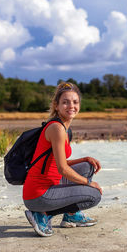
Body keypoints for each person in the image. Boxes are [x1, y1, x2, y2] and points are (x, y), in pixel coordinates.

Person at [23, 82, 102, 237]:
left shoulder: (65, 129)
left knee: (87, 166)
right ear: (56, 106)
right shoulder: (56, 129)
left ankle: (71, 216)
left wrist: (85, 159)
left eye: (75, 102)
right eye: (65, 102)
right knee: (94, 195)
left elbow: (59, 164)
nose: (71, 106)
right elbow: (62, 169)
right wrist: (88, 183)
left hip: (49, 187)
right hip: (39, 195)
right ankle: (42, 214)